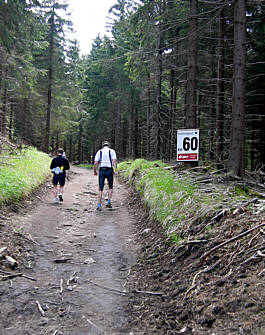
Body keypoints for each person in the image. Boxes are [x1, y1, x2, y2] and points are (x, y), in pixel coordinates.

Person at [94, 141, 118, 211]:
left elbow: (95, 163)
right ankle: (109, 202)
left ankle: (99, 205)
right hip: (109, 170)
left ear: (103, 146)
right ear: (108, 146)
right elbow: (114, 161)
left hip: (101, 170)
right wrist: (116, 170)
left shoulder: (99, 152)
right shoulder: (112, 151)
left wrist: (95, 171)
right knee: (110, 186)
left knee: (100, 188)